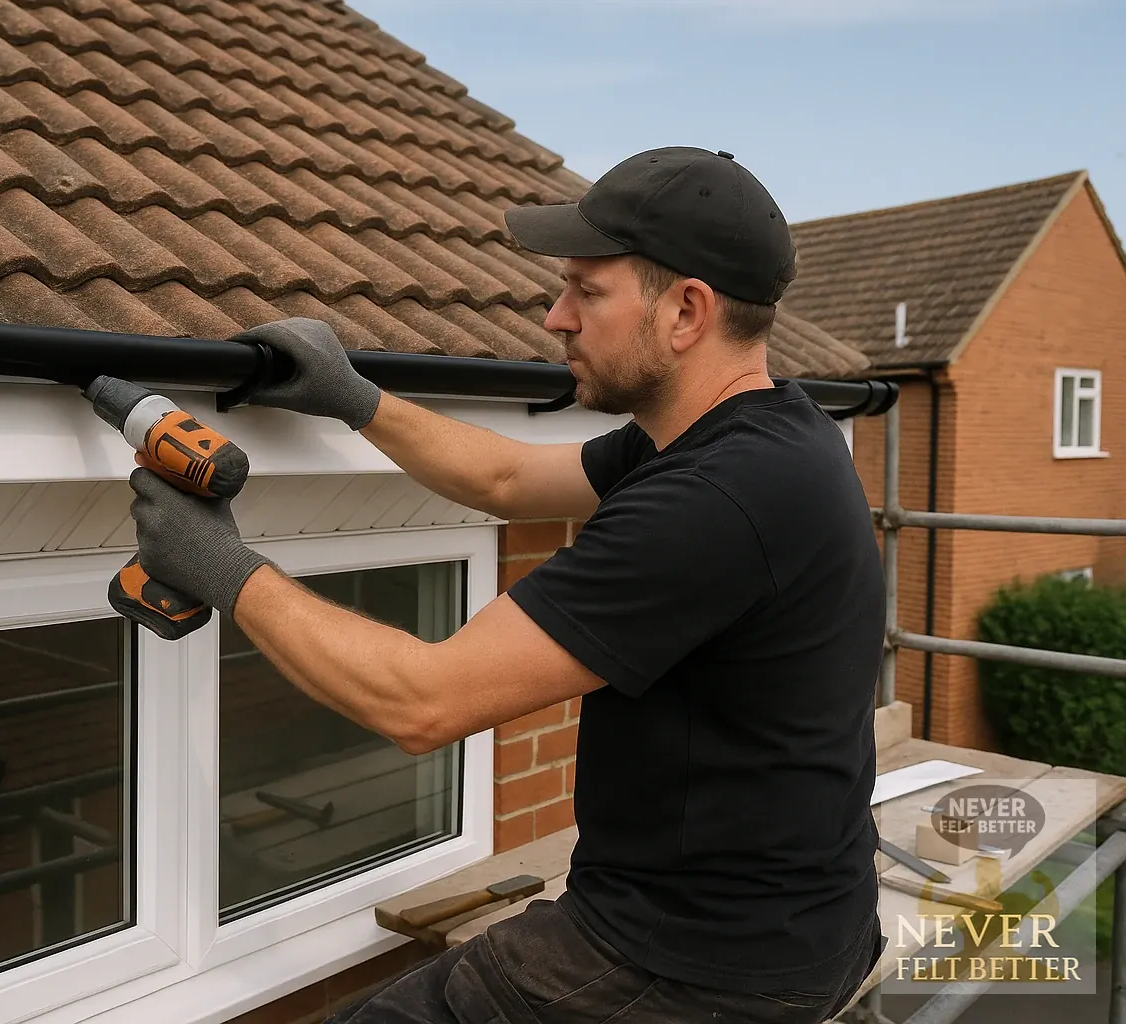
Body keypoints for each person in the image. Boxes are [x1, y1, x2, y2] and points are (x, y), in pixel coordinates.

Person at [124, 147, 888, 1023]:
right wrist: (354, 397)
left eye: (585, 291)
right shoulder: (761, 431)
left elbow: (422, 702)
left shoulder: (715, 498)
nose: (555, 316)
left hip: (693, 966)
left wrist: (217, 563)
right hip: (801, 922)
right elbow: (510, 482)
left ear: (686, 311)